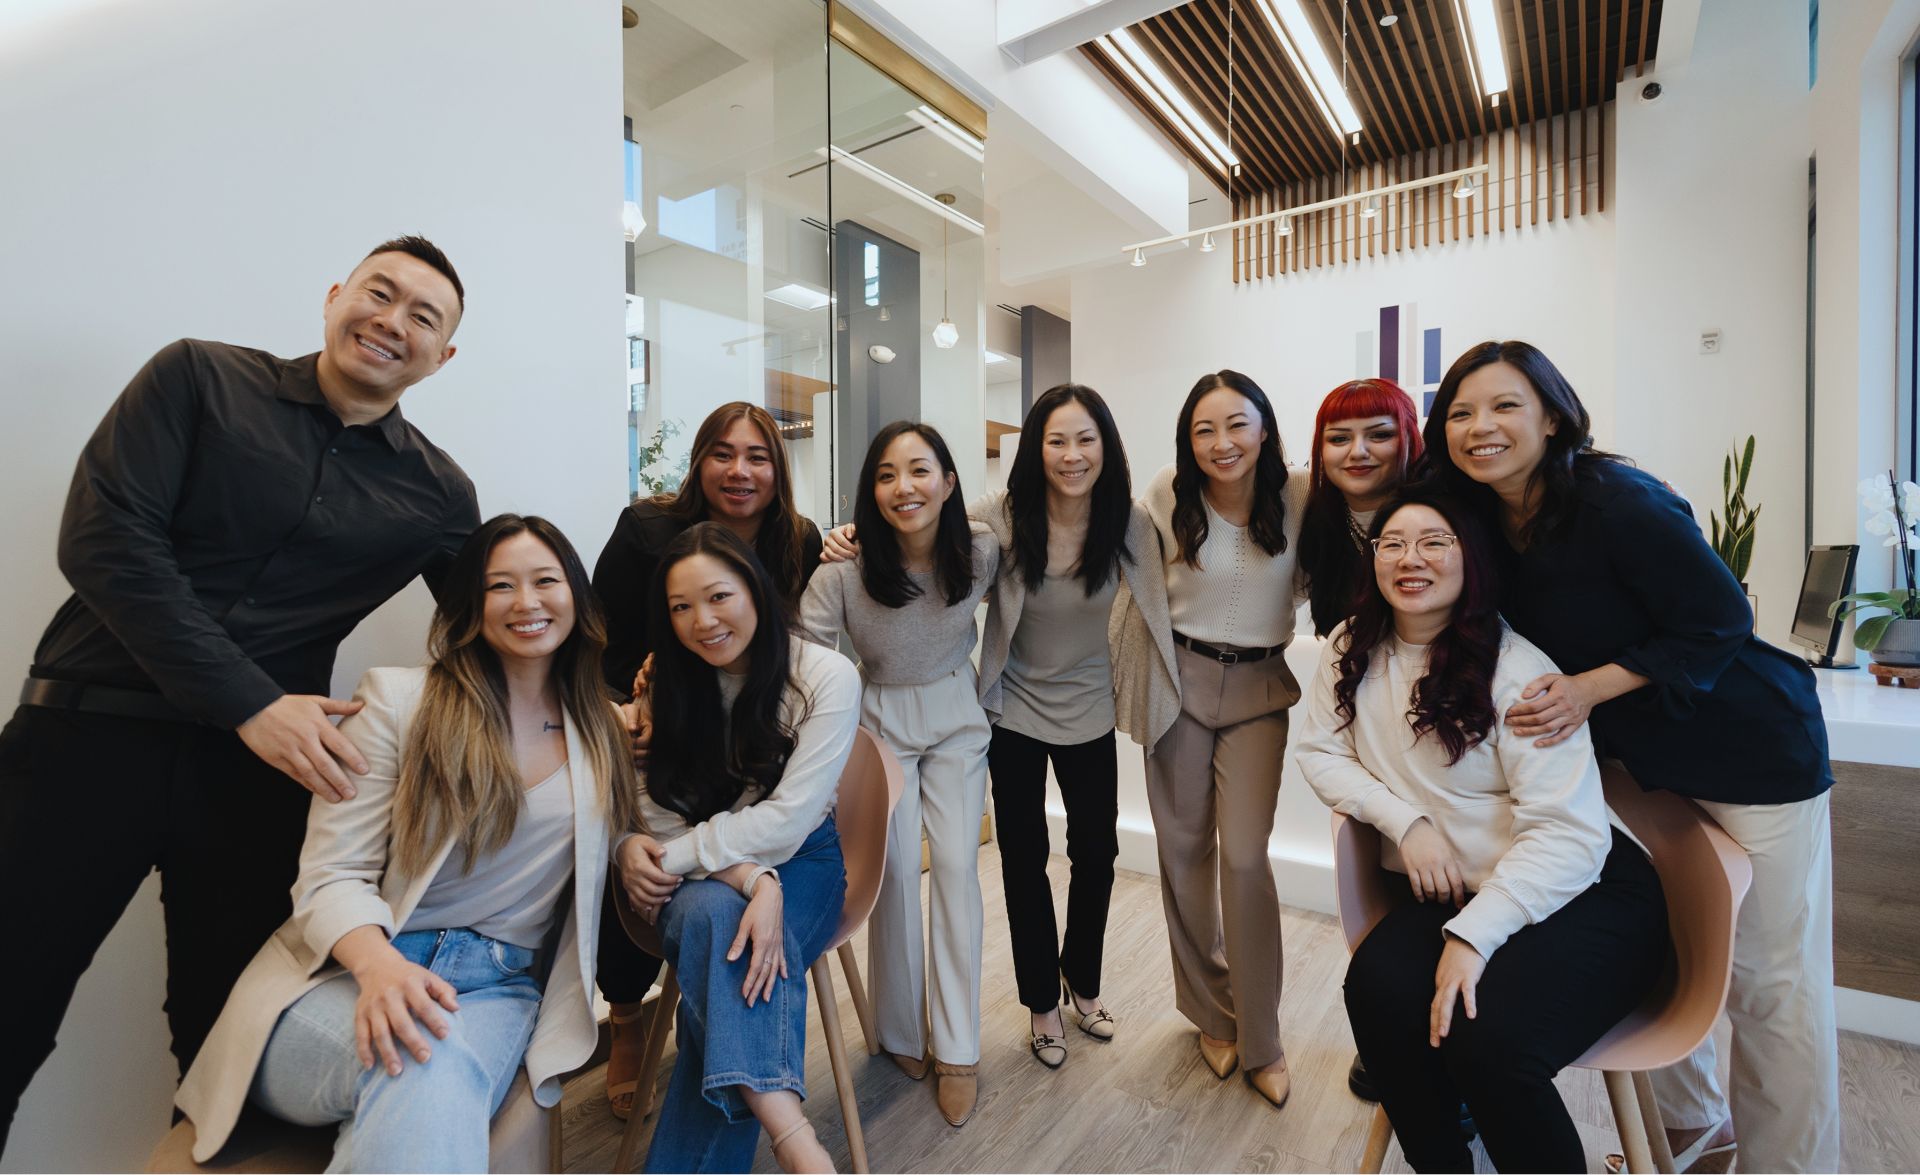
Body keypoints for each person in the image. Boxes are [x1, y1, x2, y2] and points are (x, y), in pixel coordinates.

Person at [0, 236, 479, 1147]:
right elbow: (105, 541)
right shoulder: (196, 378)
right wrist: (250, 700)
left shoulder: (441, 493)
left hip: (254, 786)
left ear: (442, 357)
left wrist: (609, 701)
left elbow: (498, 625)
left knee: (234, 1045)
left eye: (424, 316)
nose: (393, 321)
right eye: (380, 293)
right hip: (82, 741)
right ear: (336, 294)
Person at [1421, 339, 1839, 1172]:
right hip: (1639, 768)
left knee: (1768, 983)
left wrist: (1588, 689)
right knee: (1671, 943)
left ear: (1551, 412)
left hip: (1749, 750)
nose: (1482, 427)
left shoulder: (1617, 499)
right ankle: (1694, 1131)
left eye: (1505, 405)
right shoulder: (1482, 522)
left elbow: (1719, 618)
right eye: (1461, 412)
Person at [174, 514, 638, 1172]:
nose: (526, 601)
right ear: (470, 606)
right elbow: (330, 874)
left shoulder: (604, 732)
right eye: (500, 584)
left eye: (545, 580)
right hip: (345, 974)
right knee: (426, 1056)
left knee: (426, 1060)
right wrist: (378, 967)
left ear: (577, 598)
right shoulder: (399, 701)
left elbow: (649, 831)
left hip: (495, 992)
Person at [1296, 490, 1669, 1172]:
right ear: (1372, 557)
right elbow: (1320, 751)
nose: (1412, 558)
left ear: (1472, 558)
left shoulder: (1518, 670)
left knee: (1488, 1042)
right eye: (1393, 542)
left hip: (1583, 892)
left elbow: (1570, 837)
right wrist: (1404, 822)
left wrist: (1471, 936)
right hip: (1463, 887)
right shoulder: (1351, 645)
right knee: (1374, 989)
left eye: (1434, 541)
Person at [818, 386, 1164, 1071]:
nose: (1070, 455)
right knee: (1022, 858)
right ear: (1036, 449)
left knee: (1096, 854)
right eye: (1056, 441)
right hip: (1010, 710)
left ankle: (1083, 982)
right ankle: (1041, 1003)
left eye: (1085, 440)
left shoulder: (1128, 522)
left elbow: (1164, 594)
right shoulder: (1002, 518)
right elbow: (925, 517)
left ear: (1106, 448)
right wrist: (849, 532)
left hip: (1090, 708)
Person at [590, 400, 826, 1118]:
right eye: (722, 453)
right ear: (699, 463)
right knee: (638, 860)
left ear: (778, 469)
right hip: (652, 730)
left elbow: (799, 646)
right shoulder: (647, 531)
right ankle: (628, 1018)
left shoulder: (799, 540)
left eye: (757, 455)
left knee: (703, 890)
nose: (740, 470)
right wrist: (620, 709)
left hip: (752, 753)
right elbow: (594, 640)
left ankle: (728, 1061)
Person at [617, 522, 860, 1174]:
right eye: (681, 607)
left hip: (801, 859)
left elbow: (788, 820)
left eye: (719, 596)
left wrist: (672, 856)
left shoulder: (824, 676)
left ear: (755, 589)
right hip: (699, 875)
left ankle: (789, 1140)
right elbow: (653, 812)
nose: (703, 621)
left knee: (719, 946)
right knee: (720, 925)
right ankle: (795, 1137)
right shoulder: (664, 683)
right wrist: (752, 881)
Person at [1110, 369, 1307, 1109]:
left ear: (1264, 428)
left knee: (1248, 858)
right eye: (1205, 429)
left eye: (1237, 424)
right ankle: (1211, 1013)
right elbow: (1104, 539)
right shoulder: (1167, 492)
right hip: (1179, 684)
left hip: (1260, 689)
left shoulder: (1300, 492)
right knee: (1183, 850)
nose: (1222, 442)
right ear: (1188, 441)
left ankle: (1264, 1037)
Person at [798, 421, 998, 1127]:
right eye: (886, 474)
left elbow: (1016, 562)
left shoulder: (981, 548)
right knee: (892, 873)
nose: (904, 486)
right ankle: (899, 1033)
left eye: (920, 470)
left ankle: (959, 1047)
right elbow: (808, 662)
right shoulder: (840, 573)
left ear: (948, 481)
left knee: (953, 866)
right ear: (869, 491)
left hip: (955, 711)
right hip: (876, 719)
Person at [1294, 377, 1425, 1104]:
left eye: (1377, 432)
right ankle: (1389, 1033)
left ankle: (1448, 1056)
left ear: (1408, 435)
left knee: (1441, 890)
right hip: (1363, 736)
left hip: (1443, 733)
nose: (1358, 450)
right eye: (1339, 437)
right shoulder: (1322, 521)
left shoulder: (1441, 508)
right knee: (1372, 891)